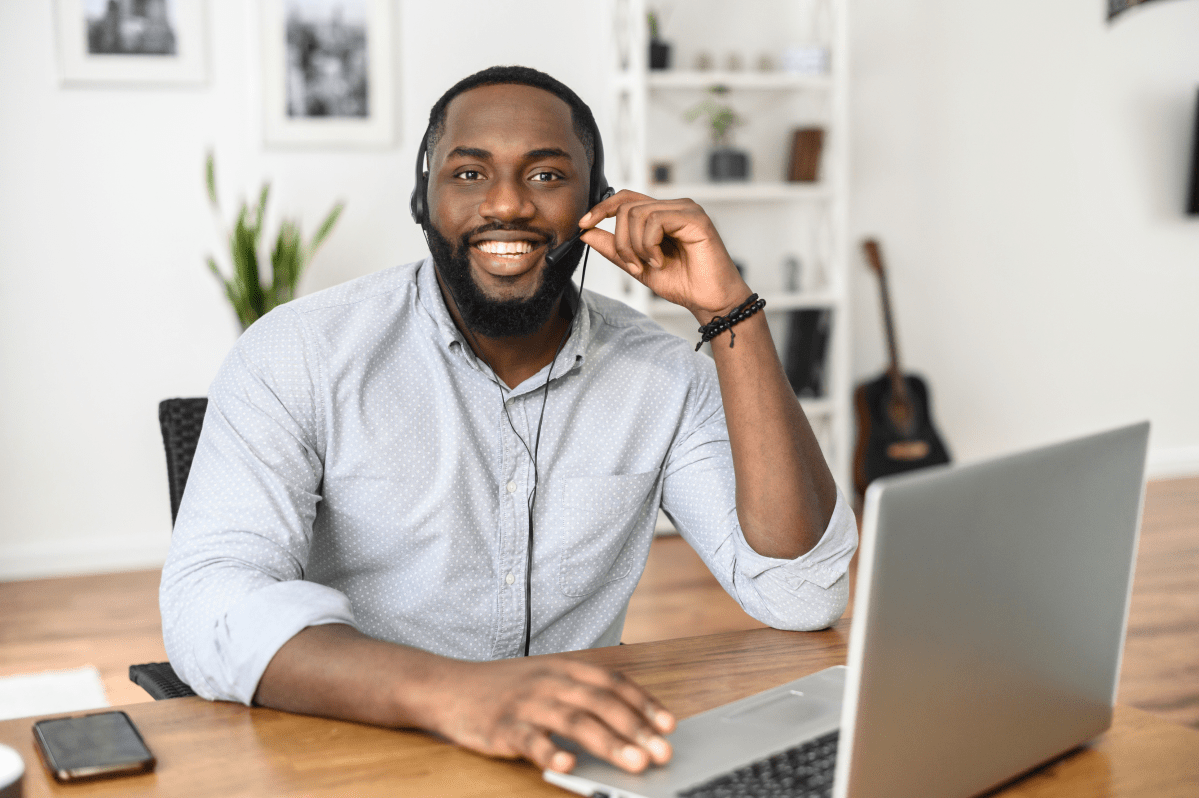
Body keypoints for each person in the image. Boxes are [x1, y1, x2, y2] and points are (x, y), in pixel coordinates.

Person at [161, 65, 857, 777]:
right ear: (421, 200)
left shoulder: (664, 375)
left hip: (575, 756)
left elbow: (799, 593)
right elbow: (208, 603)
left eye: (547, 175)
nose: (506, 204)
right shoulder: (299, 352)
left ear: (598, 204)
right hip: (360, 748)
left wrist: (727, 311)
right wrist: (459, 693)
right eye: (467, 174)